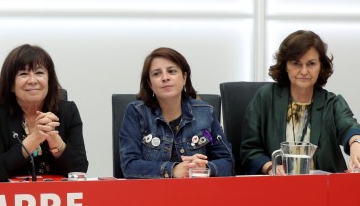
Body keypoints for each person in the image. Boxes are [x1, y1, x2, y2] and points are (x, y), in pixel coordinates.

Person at [241, 30, 360, 175]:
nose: (304, 71)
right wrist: (270, 167)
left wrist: (356, 143)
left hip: (322, 188)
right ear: (285, 65)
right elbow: (249, 150)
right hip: (278, 187)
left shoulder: (332, 102)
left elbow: (350, 127)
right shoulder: (265, 97)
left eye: (311, 64)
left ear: (320, 66)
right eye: (296, 63)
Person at [119, 47, 233, 178]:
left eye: (171, 71)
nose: (165, 78)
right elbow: (129, 166)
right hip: (151, 194)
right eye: (157, 74)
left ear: (184, 78)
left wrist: (204, 168)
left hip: (196, 192)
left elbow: (227, 162)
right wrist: (172, 170)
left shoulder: (205, 112)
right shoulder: (136, 112)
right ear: (150, 84)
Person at [0, 44, 88, 181]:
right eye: (23, 74)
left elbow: (80, 170)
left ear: (49, 80)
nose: (32, 81)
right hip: (10, 198)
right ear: (11, 84)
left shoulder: (67, 111)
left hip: (59, 197)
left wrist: (56, 141)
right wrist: (34, 138)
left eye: (39, 73)